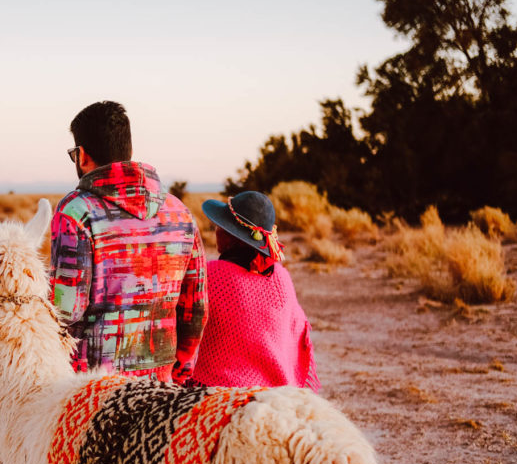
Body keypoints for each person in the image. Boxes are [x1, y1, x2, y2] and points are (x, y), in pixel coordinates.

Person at [49, 101, 207, 383]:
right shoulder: (179, 212)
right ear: (128, 151)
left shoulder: (75, 211)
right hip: (160, 385)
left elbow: (65, 312)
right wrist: (179, 372)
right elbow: (195, 308)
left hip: (90, 387)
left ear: (82, 155)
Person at [189, 191, 321, 391]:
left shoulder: (210, 276)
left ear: (231, 237)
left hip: (218, 390)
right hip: (279, 390)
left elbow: (185, 327)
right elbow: (296, 331)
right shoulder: (281, 277)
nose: (216, 231)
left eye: (220, 227)